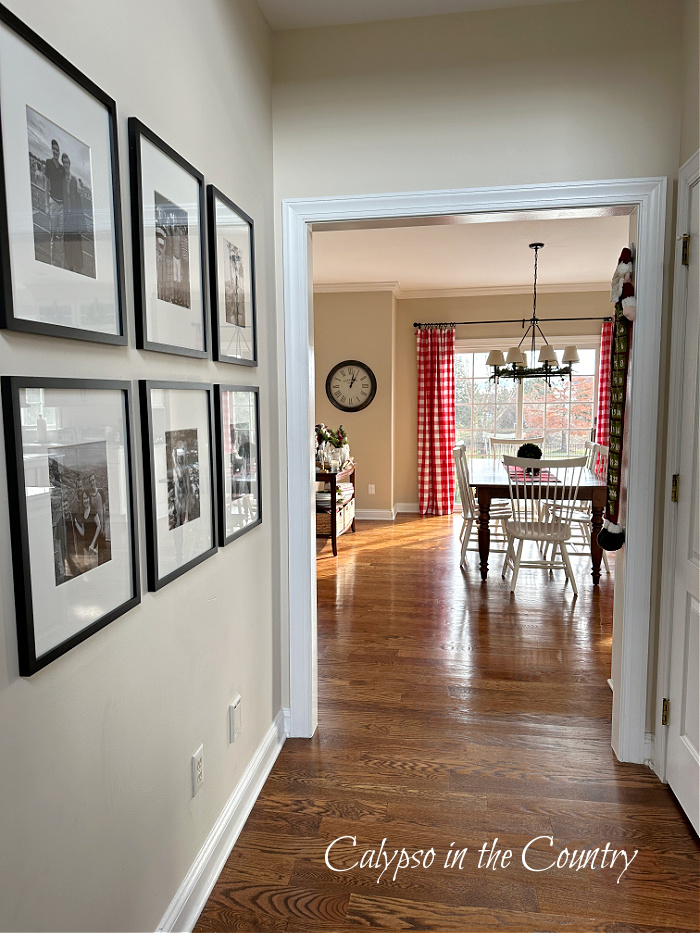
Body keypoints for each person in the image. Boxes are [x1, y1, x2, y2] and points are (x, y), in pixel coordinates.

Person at [61, 153, 84, 273]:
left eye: (67, 162)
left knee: (76, 243)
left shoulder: (73, 180)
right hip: (66, 217)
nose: (66, 165)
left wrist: (81, 222)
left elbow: (78, 201)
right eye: (64, 162)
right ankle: (69, 266)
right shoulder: (62, 180)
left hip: (74, 217)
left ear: (69, 164)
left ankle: (78, 267)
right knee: (67, 243)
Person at [43, 139, 64, 267]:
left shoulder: (62, 168)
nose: (56, 152)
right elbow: (46, 184)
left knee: (61, 235)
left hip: (62, 205)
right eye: (54, 149)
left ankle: (61, 262)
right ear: (52, 150)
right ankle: (52, 261)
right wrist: (46, 204)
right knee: (52, 234)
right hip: (53, 203)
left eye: (57, 149)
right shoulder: (49, 163)